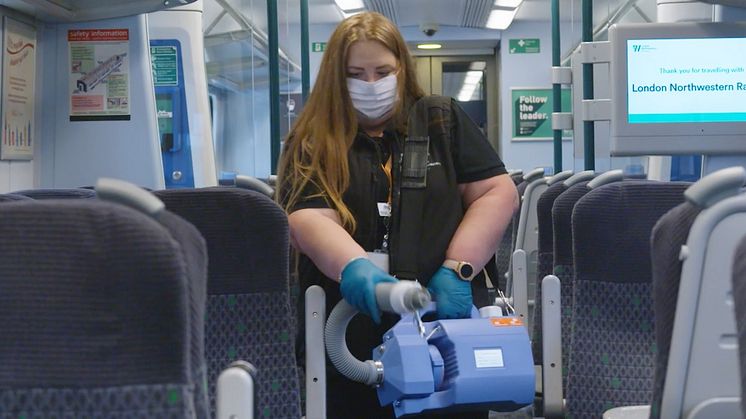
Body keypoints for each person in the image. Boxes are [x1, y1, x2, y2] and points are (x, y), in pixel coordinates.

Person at [277, 11, 519, 419]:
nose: (371, 85)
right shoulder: (313, 138)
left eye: (382, 71)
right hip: (350, 330)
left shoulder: (441, 120)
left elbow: (497, 193)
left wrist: (459, 269)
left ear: (402, 70)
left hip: (444, 326)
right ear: (337, 76)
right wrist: (354, 267)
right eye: (357, 73)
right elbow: (308, 218)